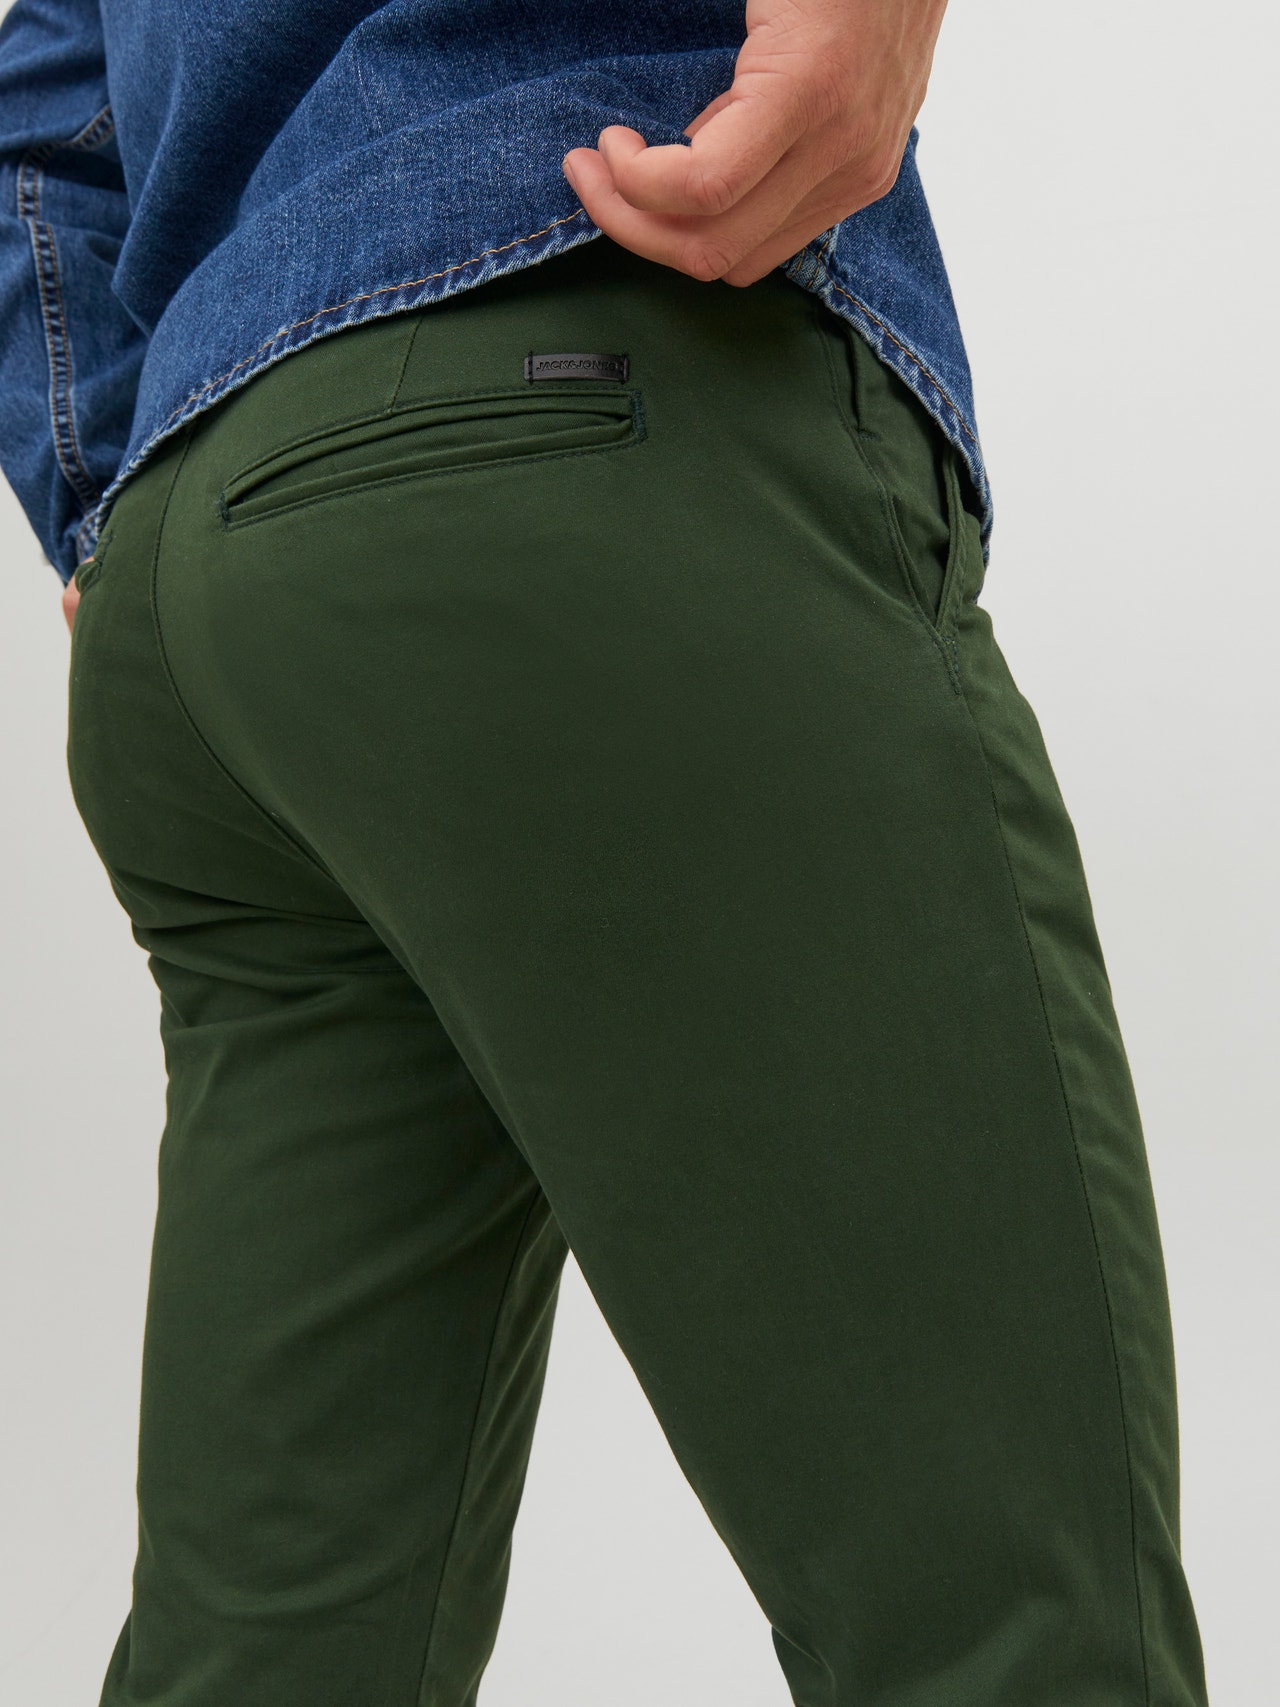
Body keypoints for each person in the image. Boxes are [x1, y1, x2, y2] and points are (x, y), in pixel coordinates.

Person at [0, 2, 1211, 1703]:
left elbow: (43, 91)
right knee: (1015, 1641)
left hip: (209, 591)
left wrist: (107, 484)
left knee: (273, 1661)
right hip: (588, 367)